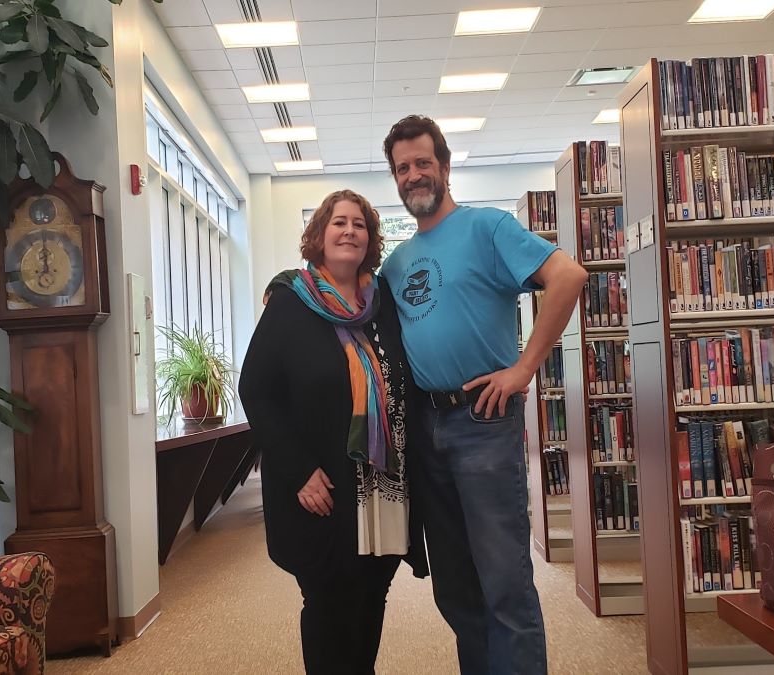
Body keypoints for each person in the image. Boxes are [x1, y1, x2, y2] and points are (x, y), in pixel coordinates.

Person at [379, 115, 589, 674]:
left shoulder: (487, 228)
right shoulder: (395, 264)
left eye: (423, 162)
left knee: (504, 583)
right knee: (454, 588)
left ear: (444, 167)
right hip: (428, 428)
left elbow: (568, 276)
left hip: (484, 421)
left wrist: (524, 369)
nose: (413, 174)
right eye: (402, 168)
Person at [239, 189, 428, 675]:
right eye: (339, 223)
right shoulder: (289, 304)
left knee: (371, 598)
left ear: (370, 239)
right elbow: (256, 391)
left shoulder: (383, 307)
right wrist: (299, 471)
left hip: (382, 490)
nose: (350, 231)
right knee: (327, 603)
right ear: (319, 236)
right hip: (319, 488)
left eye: (360, 224)